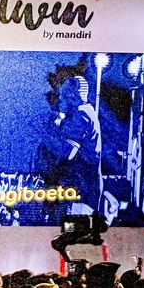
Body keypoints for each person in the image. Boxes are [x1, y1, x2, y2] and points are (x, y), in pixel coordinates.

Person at [40, 74, 102, 213]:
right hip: (85, 183)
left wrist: (47, 134)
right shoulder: (87, 112)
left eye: (64, 95)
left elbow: (67, 153)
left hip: (78, 185)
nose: (61, 99)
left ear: (73, 96)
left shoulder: (79, 117)